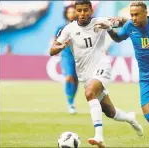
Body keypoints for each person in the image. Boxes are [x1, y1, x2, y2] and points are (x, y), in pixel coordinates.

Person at [50, 0, 144, 147]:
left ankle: (99, 136)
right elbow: (52, 50)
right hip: (84, 74)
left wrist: (111, 26)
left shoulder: (100, 22)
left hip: (101, 67)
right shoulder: (68, 29)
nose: (82, 14)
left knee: (89, 93)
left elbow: (126, 21)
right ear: (75, 11)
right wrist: (60, 47)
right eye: (79, 10)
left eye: (86, 10)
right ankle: (130, 118)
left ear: (91, 11)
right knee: (110, 111)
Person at [95, 1, 149, 148]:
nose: (133, 18)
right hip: (145, 76)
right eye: (131, 15)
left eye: (136, 15)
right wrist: (110, 29)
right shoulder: (130, 26)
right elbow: (117, 39)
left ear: (145, 13)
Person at [54, 5, 78, 114]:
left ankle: (72, 101)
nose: (72, 14)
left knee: (76, 80)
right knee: (68, 78)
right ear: (66, 14)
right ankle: (70, 103)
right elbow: (56, 42)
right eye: (69, 12)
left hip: (79, 56)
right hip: (66, 55)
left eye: (74, 12)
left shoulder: (81, 27)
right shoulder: (61, 28)